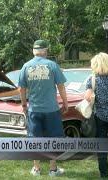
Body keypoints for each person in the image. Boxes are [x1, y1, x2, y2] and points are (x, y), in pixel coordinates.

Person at [18, 39, 68, 177]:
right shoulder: (52, 65)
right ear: (45, 51)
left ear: (34, 51)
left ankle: (36, 169)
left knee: (35, 139)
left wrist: (24, 105)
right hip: (51, 109)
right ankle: (53, 169)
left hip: (34, 109)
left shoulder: (26, 66)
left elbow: (21, 89)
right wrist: (65, 103)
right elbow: (61, 86)